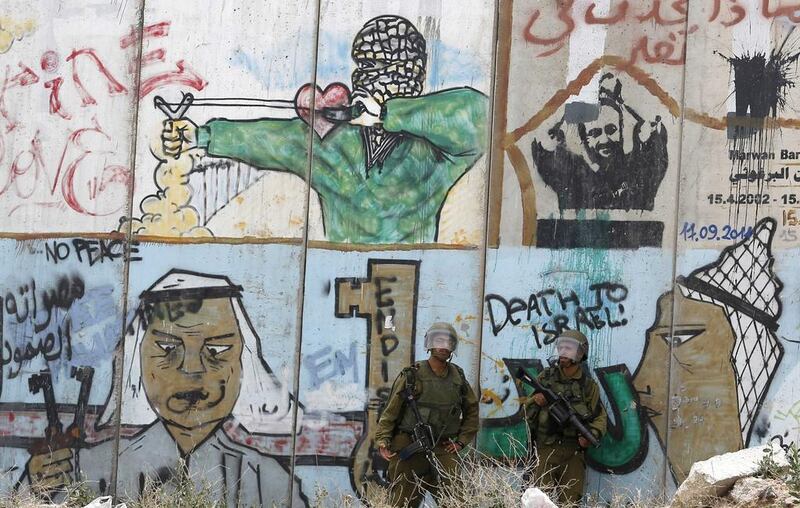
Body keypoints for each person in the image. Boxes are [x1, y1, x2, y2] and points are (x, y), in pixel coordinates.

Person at [161, 15, 487, 244]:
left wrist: (387, 113)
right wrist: (201, 137)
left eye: (375, 67)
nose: (362, 78)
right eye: (360, 66)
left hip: (411, 281)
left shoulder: (433, 153)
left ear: (410, 71)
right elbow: (276, 140)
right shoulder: (335, 141)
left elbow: (478, 116)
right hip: (341, 279)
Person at [23, 270, 307, 507]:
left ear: (244, 360)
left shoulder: (269, 481)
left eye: (217, 349)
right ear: (139, 359)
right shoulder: (88, 467)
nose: (193, 369)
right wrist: (37, 486)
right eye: (168, 348)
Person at [374, 322, 479, 507]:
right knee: (402, 501)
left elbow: (471, 410)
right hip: (410, 444)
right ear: (430, 344)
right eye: (439, 341)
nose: (443, 346)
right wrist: (383, 439)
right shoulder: (412, 375)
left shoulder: (458, 377)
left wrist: (461, 441)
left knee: (456, 500)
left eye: (448, 342)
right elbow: (391, 410)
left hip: (442, 446)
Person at [531, 74, 668, 211]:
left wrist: (622, 102)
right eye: (595, 133)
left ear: (621, 131)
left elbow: (655, 141)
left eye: (611, 130)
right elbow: (543, 141)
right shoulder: (572, 176)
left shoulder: (638, 172)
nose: (604, 139)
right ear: (584, 139)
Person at [524, 329, 607, 505]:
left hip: (573, 452)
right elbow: (526, 411)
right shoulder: (546, 378)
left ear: (580, 353)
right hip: (546, 448)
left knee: (570, 501)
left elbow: (599, 417)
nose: (563, 352)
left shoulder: (588, 386)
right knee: (538, 501)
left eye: (568, 348)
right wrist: (535, 402)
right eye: (561, 347)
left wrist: (591, 434)